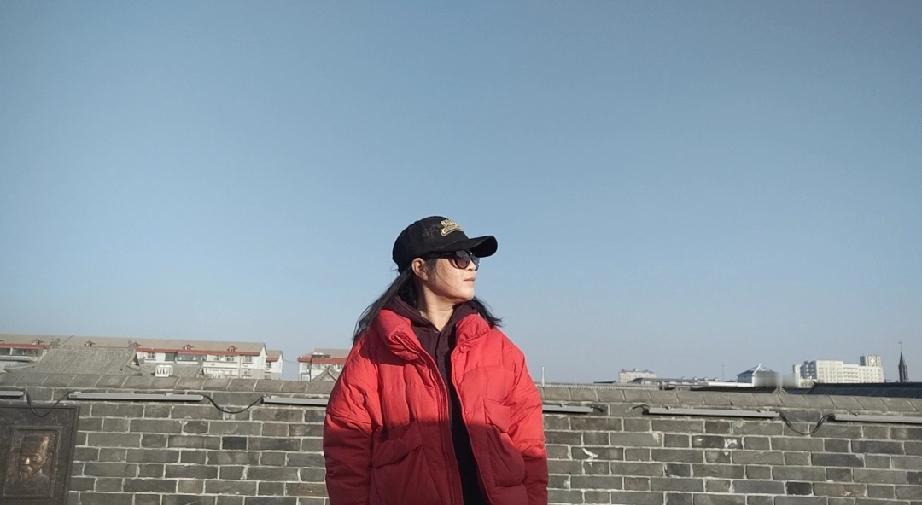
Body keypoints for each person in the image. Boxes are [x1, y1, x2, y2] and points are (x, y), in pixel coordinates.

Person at [323, 216, 548, 505]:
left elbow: (529, 448)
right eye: (459, 257)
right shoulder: (373, 352)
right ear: (420, 268)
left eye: (474, 258)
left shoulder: (501, 350)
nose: (471, 266)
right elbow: (346, 454)